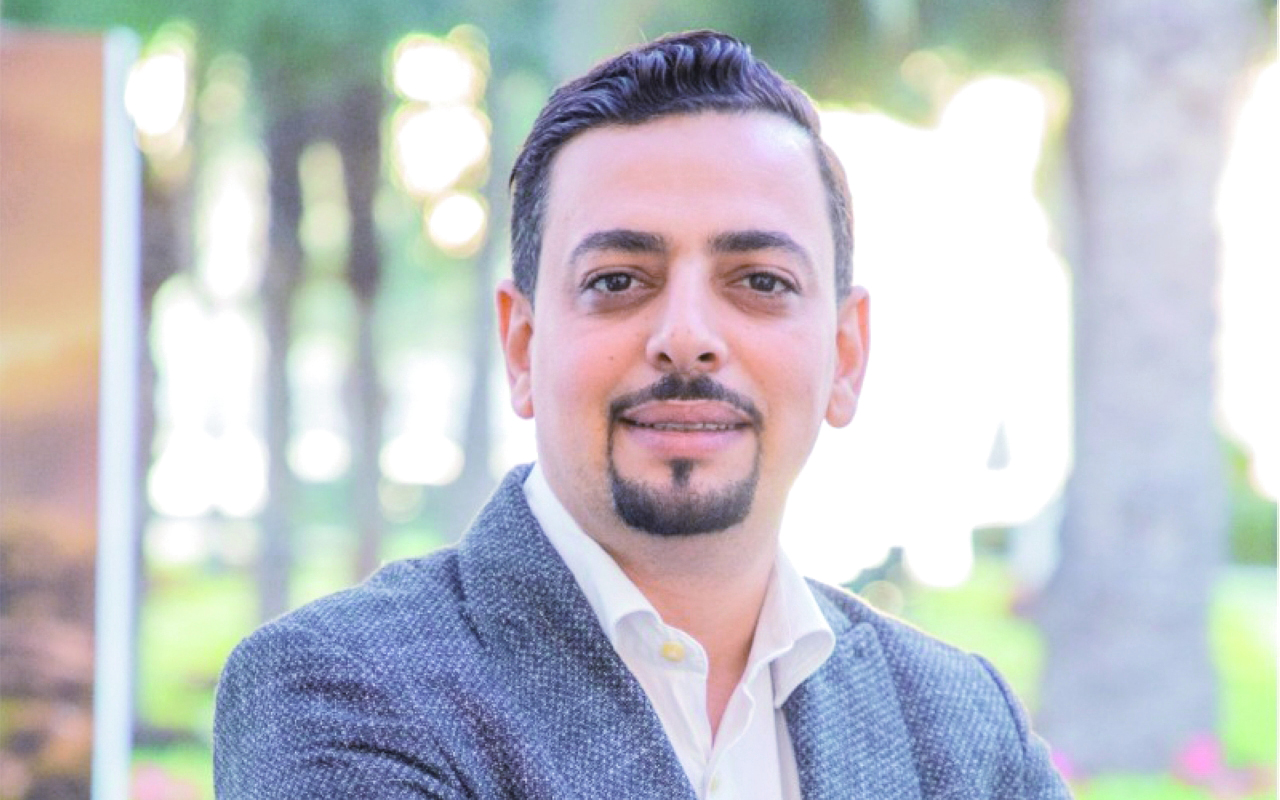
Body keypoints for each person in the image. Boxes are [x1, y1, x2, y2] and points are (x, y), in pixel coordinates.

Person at [214, 30, 1072, 799]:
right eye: (618, 280)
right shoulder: (339, 688)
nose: (687, 338)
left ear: (846, 355)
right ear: (522, 345)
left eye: (760, 282)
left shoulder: (962, 728)